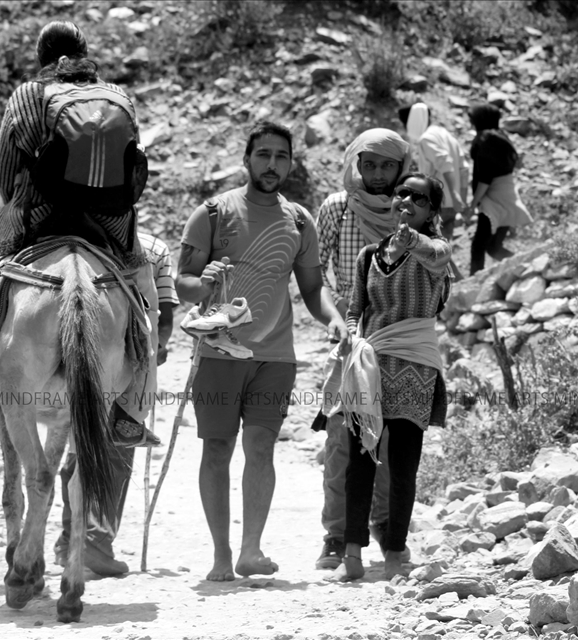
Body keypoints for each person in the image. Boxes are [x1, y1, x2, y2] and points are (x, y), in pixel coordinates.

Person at [0, 21, 159, 441]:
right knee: (145, 298)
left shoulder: (28, 95)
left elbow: (5, 172)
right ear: (85, 53)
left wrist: (20, 203)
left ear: (41, 56)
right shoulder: (118, 96)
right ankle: (132, 410)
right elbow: (133, 165)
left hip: (37, 216)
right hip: (110, 223)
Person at [177, 121, 346, 581]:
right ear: (247, 159)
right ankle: (221, 555)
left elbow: (312, 287)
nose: (272, 164)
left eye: (281, 156)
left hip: (275, 356)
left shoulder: (299, 220)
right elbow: (183, 283)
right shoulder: (213, 213)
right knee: (217, 447)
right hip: (218, 351)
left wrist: (333, 318)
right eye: (264, 155)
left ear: (291, 164)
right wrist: (203, 283)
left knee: (261, 446)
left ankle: (250, 550)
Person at [326, 173, 451, 582]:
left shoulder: (436, 251)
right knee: (360, 461)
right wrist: (348, 332)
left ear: (431, 211)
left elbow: (435, 254)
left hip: (415, 366)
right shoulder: (369, 256)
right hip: (371, 366)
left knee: (402, 465)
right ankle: (352, 554)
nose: (407, 201)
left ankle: (395, 551)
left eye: (419, 198)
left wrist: (410, 238)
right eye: (402, 193)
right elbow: (356, 308)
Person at [313, 128, 412, 571]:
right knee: (341, 439)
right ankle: (336, 534)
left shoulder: (411, 208)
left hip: (398, 341)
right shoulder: (337, 207)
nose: (377, 174)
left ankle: (385, 526)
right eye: (368, 164)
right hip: (350, 340)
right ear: (355, 163)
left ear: (401, 167)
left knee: (390, 439)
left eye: (387, 165)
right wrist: (337, 318)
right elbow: (316, 272)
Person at [54, 232, 179, 576]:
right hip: (119, 357)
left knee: (75, 445)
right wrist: (155, 349)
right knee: (117, 440)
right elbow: (162, 314)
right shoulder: (151, 248)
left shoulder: (59, 240)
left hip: (57, 359)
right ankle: (94, 543)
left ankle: (68, 541)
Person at [463, 103, 533, 275]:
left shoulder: (484, 140)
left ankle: (473, 283)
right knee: (493, 247)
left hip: (493, 199)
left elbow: (485, 178)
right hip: (507, 194)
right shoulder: (501, 136)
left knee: (478, 246)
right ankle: (526, 265)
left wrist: (473, 205)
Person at [398, 103, 468, 242]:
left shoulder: (426, 139)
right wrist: (460, 198)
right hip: (451, 205)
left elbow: (445, 164)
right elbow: (463, 169)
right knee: (443, 245)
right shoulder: (446, 135)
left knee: (429, 246)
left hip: (437, 204)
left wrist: (455, 195)